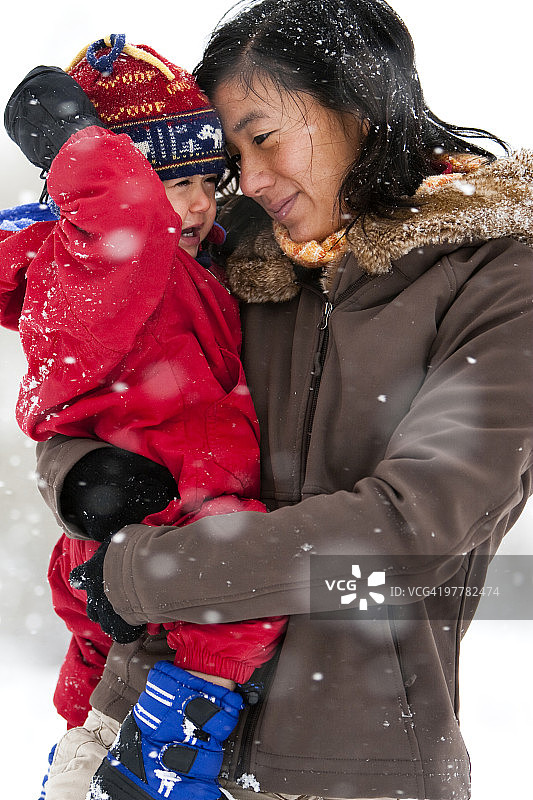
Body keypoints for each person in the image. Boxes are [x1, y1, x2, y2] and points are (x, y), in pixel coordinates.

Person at [21, 0, 533, 798]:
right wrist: (81, 474)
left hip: (349, 767)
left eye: (264, 136)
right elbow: (93, 390)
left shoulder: (495, 280)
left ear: (360, 108)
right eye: (233, 155)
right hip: (139, 741)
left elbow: (408, 530)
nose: (250, 180)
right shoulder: (225, 249)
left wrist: (142, 578)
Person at [1, 34, 287, 800]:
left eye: (206, 179)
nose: (195, 204)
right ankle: (160, 763)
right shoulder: (96, 260)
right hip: (175, 510)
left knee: (97, 691)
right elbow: (121, 208)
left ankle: (90, 757)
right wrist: (75, 141)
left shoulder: (179, 259)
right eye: (167, 179)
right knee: (227, 613)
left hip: (163, 508)